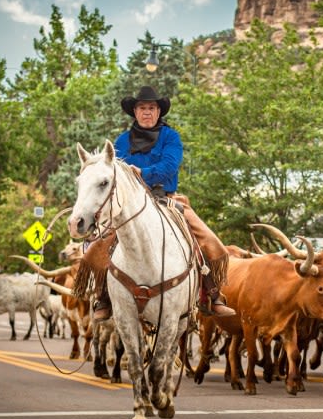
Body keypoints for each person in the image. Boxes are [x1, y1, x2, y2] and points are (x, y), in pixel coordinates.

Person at [92, 85, 235, 320]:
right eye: (142, 108)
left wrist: (142, 172)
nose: (146, 112)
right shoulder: (122, 140)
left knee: (205, 239)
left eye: (151, 108)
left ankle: (212, 293)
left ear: (159, 112)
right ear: (134, 112)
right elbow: (113, 170)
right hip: (129, 205)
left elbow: (170, 166)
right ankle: (104, 296)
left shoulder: (171, 137)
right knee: (101, 245)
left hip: (165, 199)